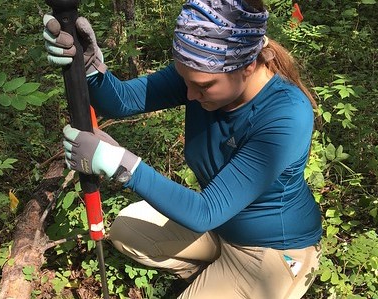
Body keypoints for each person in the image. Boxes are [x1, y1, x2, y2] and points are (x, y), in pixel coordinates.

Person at [43, 0, 322, 298]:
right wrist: (88, 68)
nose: (189, 94)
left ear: (248, 66)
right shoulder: (201, 73)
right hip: (219, 228)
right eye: (186, 81)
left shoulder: (286, 114)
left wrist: (120, 164)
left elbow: (206, 210)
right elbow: (120, 101)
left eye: (203, 85)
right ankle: (214, 274)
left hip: (271, 251)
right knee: (126, 231)